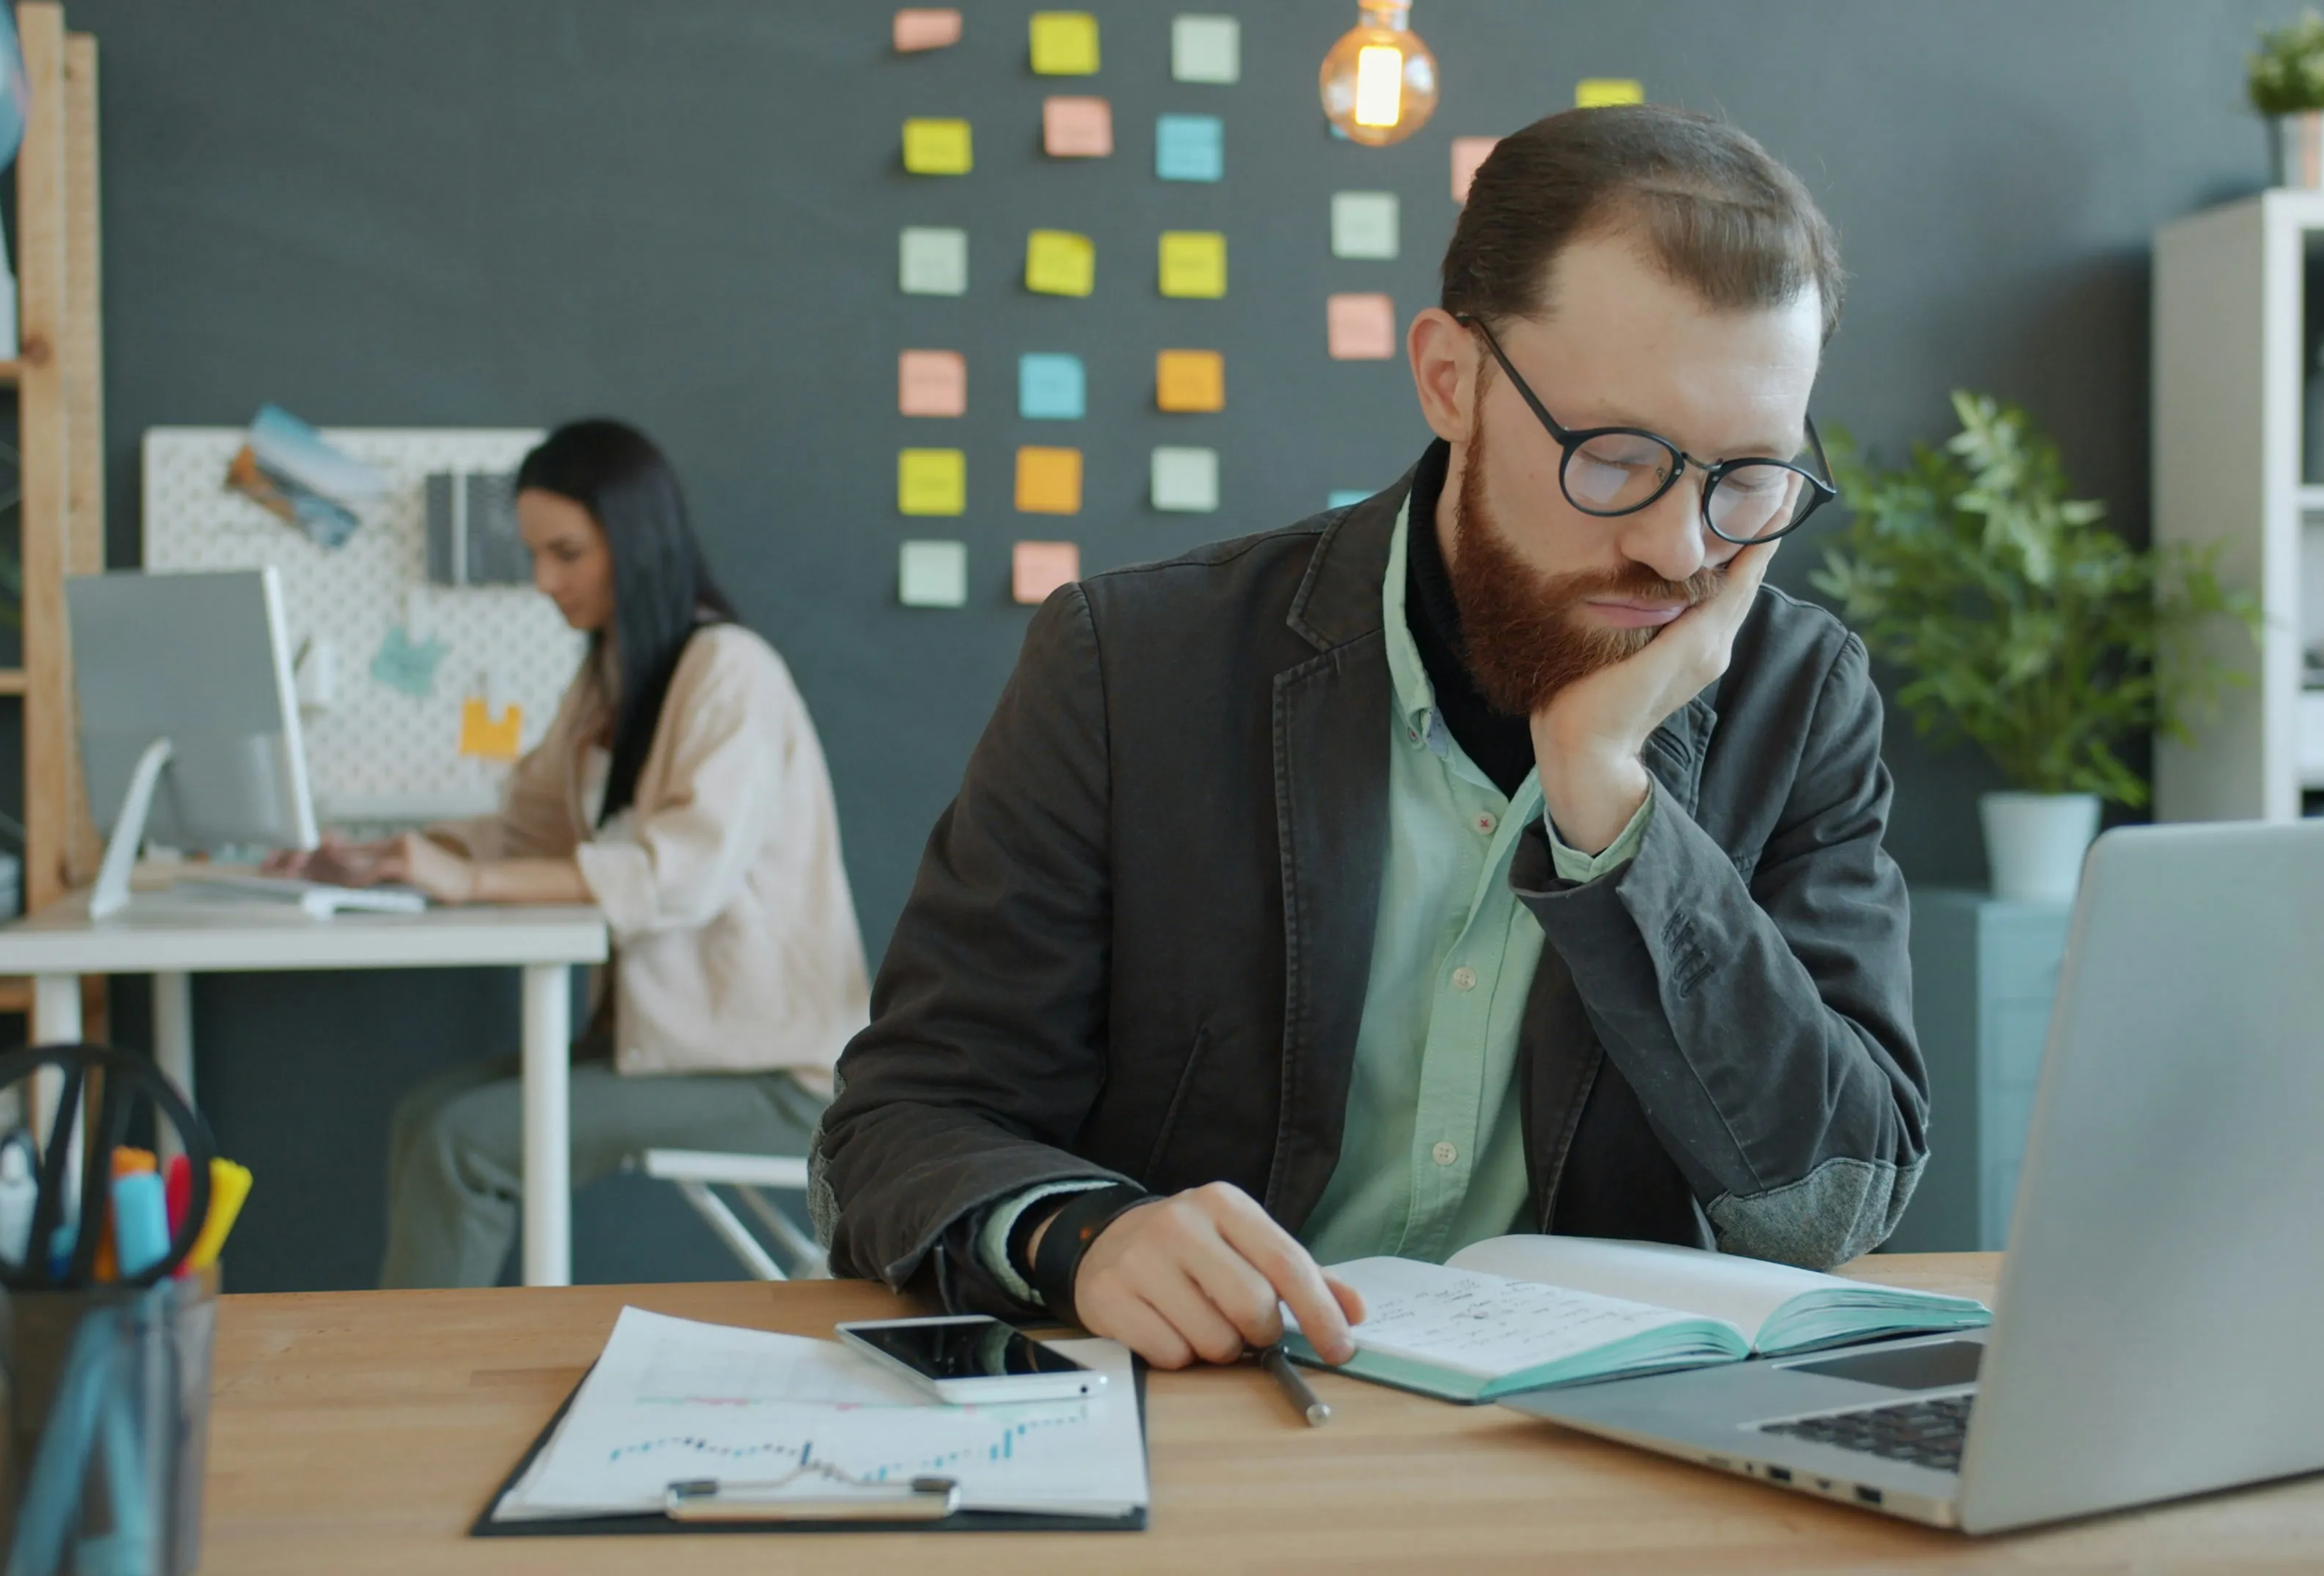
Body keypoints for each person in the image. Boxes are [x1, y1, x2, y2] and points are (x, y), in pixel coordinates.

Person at [813, 106, 1925, 1371]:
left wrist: (1616, 812)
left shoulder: (1800, 697)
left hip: (1598, 1445)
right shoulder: (1131, 666)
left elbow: (1828, 1206)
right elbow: (900, 1122)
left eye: (1749, 477)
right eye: (1615, 459)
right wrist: (1089, 1237)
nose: (1680, 549)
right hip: (1219, 1420)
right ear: (1451, 379)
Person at [275, 418, 869, 1287]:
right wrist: (391, 856)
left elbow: (678, 878)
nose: (543, 582)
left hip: (775, 1073)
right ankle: (418, 1377)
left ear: (634, 543)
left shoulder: (730, 672)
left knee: (460, 1144)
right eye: (534, 556)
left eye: (566, 553)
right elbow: (530, 830)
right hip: (670, 1046)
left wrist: (468, 880)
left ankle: (420, 1397)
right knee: (424, 1116)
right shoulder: (611, 675)